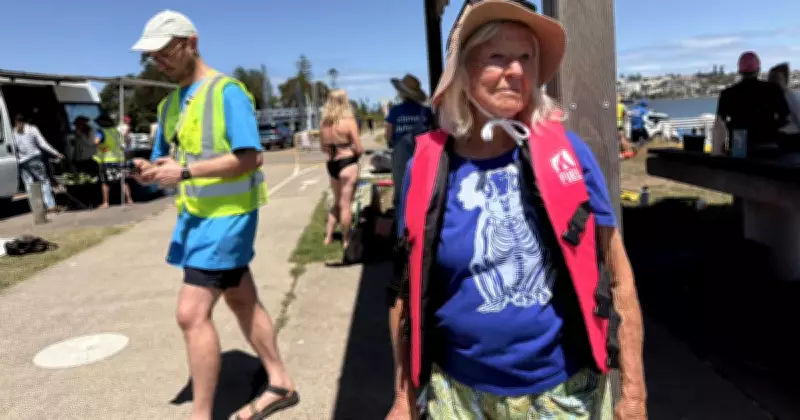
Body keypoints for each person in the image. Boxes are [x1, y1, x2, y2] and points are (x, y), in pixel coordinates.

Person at [386, 1, 647, 419]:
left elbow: (618, 276)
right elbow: (403, 289)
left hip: (561, 393)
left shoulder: (568, 155)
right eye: (496, 57)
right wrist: (403, 397)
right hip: (455, 393)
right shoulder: (427, 165)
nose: (515, 70)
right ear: (462, 71)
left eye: (526, 57)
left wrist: (633, 394)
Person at [130, 10, 298, 420]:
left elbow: (250, 158)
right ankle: (279, 382)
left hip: (228, 219)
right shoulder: (170, 104)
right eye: (152, 56)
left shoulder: (227, 92)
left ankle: (201, 415)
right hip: (196, 220)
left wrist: (184, 171)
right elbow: (168, 160)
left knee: (191, 314)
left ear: (191, 42)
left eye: (164, 52)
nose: (158, 61)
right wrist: (154, 170)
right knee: (242, 300)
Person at [713, 51, 790, 156]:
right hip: (768, 143)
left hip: (739, 145)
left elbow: (720, 124)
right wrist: (771, 126)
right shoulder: (773, 90)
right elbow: (785, 118)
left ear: (739, 71)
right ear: (758, 69)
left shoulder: (727, 94)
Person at [320, 89, 364, 249]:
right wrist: (355, 154)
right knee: (346, 204)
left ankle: (328, 237)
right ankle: (346, 239)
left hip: (331, 163)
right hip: (347, 161)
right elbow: (358, 147)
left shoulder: (324, 124)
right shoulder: (348, 122)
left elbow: (322, 147)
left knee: (336, 202)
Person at [385, 74, 433, 210]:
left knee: (401, 192)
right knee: (422, 190)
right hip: (421, 154)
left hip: (401, 156)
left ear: (402, 93)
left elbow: (388, 135)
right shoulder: (426, 112)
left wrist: (390, 143)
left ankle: (402, 225)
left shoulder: (395, 111)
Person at [13, 113, 64, 212]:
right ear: (27, 120)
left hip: (22, 162)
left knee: (29, 185)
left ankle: (36, 208)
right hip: (35, 158)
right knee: (44, 181)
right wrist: (56, 153)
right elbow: (43, 143)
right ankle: (50, 206)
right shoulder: (32, 129)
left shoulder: (13, 132)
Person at [94, 113, 134, 208]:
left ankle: (106, 202)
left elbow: (96, 141)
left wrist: (101, 147)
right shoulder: (116, 131)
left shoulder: (101, 131)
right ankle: (129, 199)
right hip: (120, 159)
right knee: (123, 181)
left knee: (105, 182)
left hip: (107, 160)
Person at [767, 63, 800, 153]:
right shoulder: (768, 98)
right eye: (770, 78)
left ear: (785, 80)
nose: (772, 81)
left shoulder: (793, 97)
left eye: (776, 78)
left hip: (791, 141)